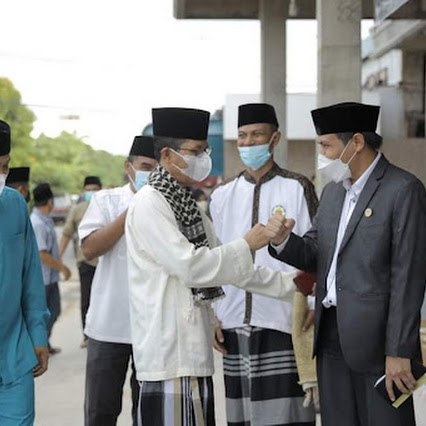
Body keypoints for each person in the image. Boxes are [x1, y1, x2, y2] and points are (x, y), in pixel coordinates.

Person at [126, 107, 299, 426]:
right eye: (195, 151)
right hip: (169, 354)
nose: (203, 157)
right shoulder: (150, 203)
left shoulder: (186, 205)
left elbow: (232, 268)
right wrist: (248, 243)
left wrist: (297, 287)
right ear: (167, 154)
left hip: (191, 352)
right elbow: (191, 266)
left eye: (204, 150)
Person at [267, 102, 426, 426]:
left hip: (379, 343)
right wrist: (283, 240)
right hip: (331, 336)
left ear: (356, 142)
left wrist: (399, 350)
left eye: (326, 146)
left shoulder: (403, 189)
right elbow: (315, 252)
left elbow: (408, 275)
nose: (323, 155)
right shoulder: (332, 193)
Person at [209, 103, 318, 426]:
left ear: (275, 138)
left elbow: (316, 250)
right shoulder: (222, 194)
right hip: (232, 320)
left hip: (284, 318)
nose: (248, 142)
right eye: (242, 136)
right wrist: (212, 313)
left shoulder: (297, 186)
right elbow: (212, 257)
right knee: (241, 416)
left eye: (257, 134)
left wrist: (311, 301)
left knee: (286, 415)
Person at [78, 135, 157, 426]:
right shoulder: (105, 201)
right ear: (129, 167)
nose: (151, 173)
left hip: (153, 329)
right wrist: (131, 212)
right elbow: (89, 249)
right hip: (108, 328)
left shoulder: (171, 207)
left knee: (148, 414)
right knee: (100, 412)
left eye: (158, 168)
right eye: (146, 166)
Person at [0, 120, 50, 425]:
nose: (1, 175)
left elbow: (31, 277)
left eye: (4, 167)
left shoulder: (15, 205)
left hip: (14, 356)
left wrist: (38, 333)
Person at [59, 176, 102, 348]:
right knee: (86, 300)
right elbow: (66, 234)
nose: (91, 192)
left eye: (95, 189)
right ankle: (87, 335)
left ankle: (102, 333)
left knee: (104, 299)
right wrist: (58, 257)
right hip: (85, 262)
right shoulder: (77, 210)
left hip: (105, 262)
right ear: (84, 191)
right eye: (88, 189)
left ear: (101, 189)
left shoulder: (106, 207)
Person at [31, 182, 72, 355]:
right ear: (50, 202)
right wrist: (62, 267)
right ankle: (38, 345)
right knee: (46, 313)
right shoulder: (38, 223)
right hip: (42, 278)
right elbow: (42, 254)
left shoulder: (44, 220)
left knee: (53, 311)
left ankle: (44, 343)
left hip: (50, 277)